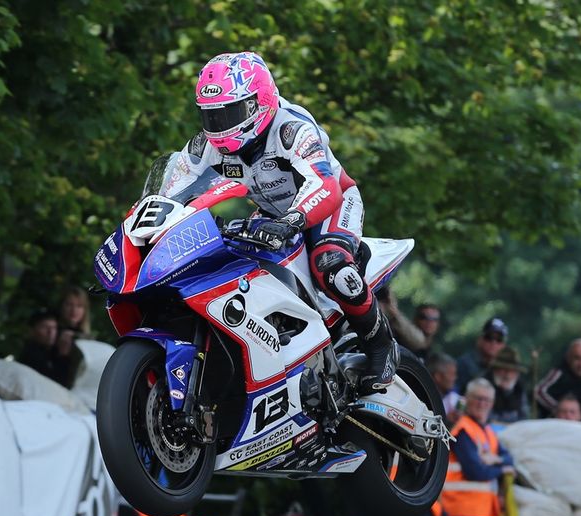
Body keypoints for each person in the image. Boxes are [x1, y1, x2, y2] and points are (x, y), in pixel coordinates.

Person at [166, 51, 397, 392]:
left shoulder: (290, 129)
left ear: (258, 102)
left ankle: (380, 344)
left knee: (330, 265)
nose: (220, 125)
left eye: (230, 113)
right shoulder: (208, 145)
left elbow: (324, 185)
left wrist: (293, 221)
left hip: (330, 202)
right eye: (212, 116)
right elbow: (175, 185)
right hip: (273, 214)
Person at [440, 377, 515, 516]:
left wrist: (496, 460)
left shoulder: (487, 431)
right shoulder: (463, 429)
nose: (482, 404)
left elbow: (509, 458)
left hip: (482, 511)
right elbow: (474, 471)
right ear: (467, 400)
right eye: (478, 398)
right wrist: (502, 468)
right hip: (462, 510)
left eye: (487, 400)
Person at [18, 310, 82, 389]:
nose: (51, 332)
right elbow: (55, 384)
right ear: (32, 331)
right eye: (45, 327)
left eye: (54, 328)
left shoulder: (51, 352)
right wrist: (63, 355)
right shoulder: (31, 354)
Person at [534, 338, 581, 420]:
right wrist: (558, 409)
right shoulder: (558, 373)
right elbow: (538, 391)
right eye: (577, 358)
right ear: (568, 357)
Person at [378, 289, 438, 361]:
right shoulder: (399, 333)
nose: (429, 322)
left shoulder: (433, 354)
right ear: (416, 319)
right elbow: (417, 340)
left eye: (434, 319)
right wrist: (394, 313)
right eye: (424, 317)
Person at [455, 317, 508, 393]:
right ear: (480, 339)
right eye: (489, 337)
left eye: (499, 339)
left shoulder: (507, 368)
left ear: (504, 345)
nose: (493, 343)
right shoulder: (464, 364)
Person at [484, 346, 530, 426]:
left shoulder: (519, 389)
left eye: (512, 370)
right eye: (503, 369)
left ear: (517, 373)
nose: (507, 374)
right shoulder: (483, 387)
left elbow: (523, 419)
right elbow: (484, 419)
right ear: (495, 369)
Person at [427, 352, 462, 425]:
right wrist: (446, 420)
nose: (455, 378)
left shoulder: (454, 398)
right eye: (452, 374)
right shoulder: (424, 399)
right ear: (438, 376)